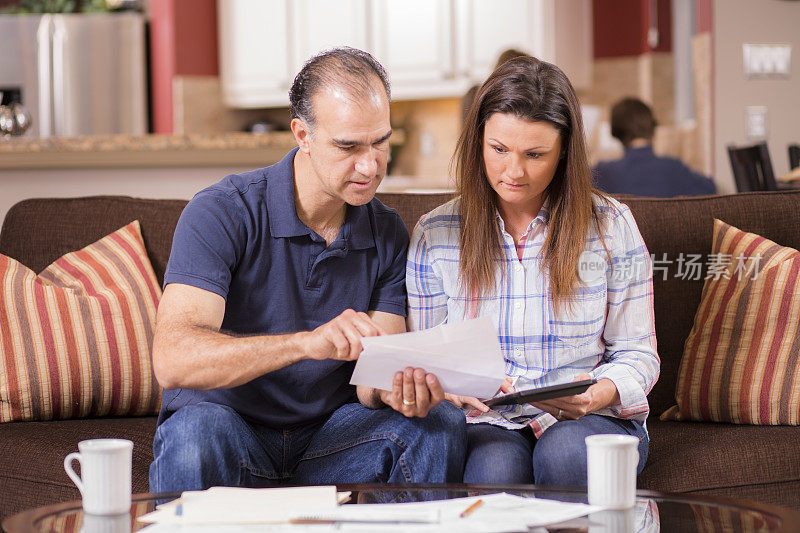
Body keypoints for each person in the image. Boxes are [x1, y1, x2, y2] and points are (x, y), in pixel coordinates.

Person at [149, 47, 466, 493]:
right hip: (229, 433)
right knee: (194, 434)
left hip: (329, 444)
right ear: (302, 135)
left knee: (438, 422)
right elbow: (173, 360)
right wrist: (304, 344)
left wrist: (398, 389)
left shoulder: (388, 232)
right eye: (348, 146)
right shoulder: (222, 211)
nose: (370, 165)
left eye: (380, 142)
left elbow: (373, 375)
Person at [407, 56, 660, 485]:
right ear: (478, 142)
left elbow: (638, 353)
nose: (514, 172)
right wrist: (447, 387)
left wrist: (601, 393)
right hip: (487, 418)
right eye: (499, 150)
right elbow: (426, 358)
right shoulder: (436, 233)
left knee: (564, 455)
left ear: (564, 152)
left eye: (535, 154)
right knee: (494, 469)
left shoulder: (611, 226)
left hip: (591, 416)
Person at [594, 97, 716, 197]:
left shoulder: (603, 172)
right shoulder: (674, 168)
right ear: (653, 127)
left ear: (615, 132)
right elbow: (711, 189)